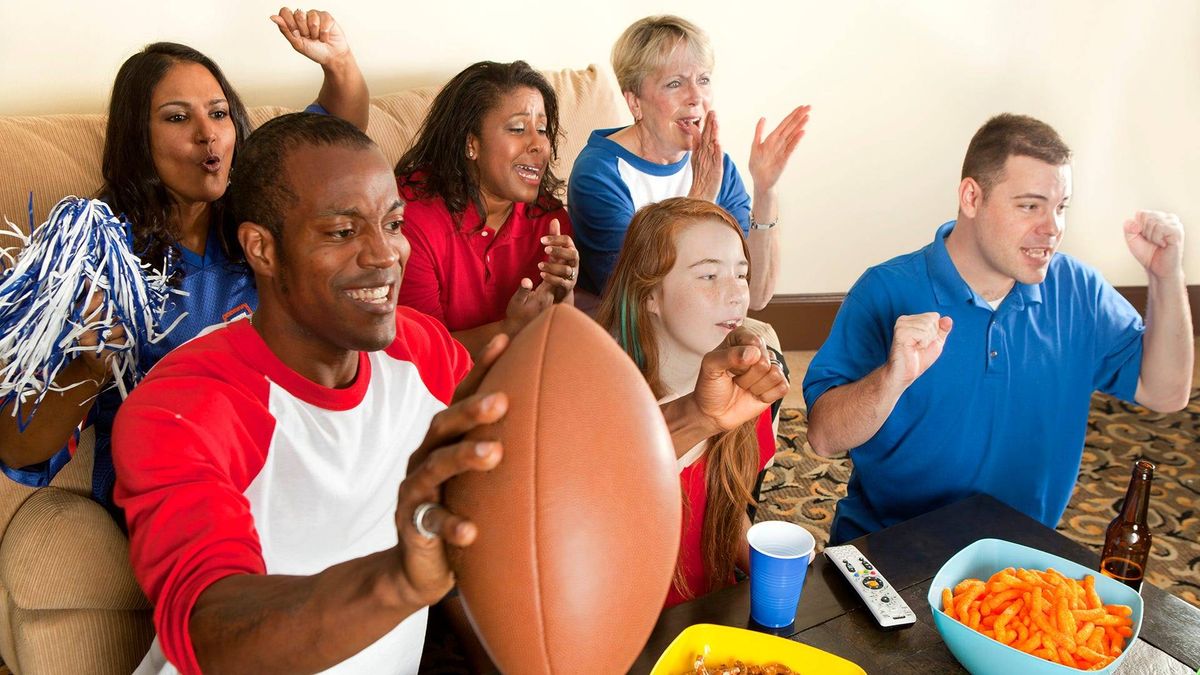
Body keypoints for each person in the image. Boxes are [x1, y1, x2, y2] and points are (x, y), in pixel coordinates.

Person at [112, 112, 789, 674]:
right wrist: (401, 579)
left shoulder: (418, 348)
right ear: (261, 248)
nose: (386, 255)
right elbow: (210, 628)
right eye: (344, 232)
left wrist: (696, 415)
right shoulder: (184, 404)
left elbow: (547, 483)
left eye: (394, 222)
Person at [0, 8, 369, 517]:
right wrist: (90, 366)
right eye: (178, 118)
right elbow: (19, 448)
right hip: (178, 483)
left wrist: (339, 64)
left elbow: (333, 153)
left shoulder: (257, 213)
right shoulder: (100, 255)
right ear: (138, 138)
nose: (207, 134)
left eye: (218, 114)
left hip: (284, 452)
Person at [803, 113, 1193, 544]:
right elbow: (823, 437)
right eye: (1030, 206)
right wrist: (889, 382)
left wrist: (1165, 274)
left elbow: (1165, 392)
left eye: (1060, 207)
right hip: (888, 551)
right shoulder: (886, 290)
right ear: (972, 197)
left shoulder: (1078, 290)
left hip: (1015, 565)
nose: (1052, 229)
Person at [598, 197, 788, 607]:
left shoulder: (743, 387)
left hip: (709, 615)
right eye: (708, 276)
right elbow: (596, 515)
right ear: (650, 294)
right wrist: (699, 418)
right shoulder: (598, 402)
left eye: (741, 274)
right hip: (622, 627)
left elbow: (724, 503)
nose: (736, 293)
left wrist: (765, 565)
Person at [569, 14, 809, 308]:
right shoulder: (599, 174)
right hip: (626, 333)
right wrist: (700, 199)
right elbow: (641, 299)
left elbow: (755, 296)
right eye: (675, 83)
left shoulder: (716, 165)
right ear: (634, 102)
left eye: (703, 80)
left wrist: (765, 190)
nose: (696, 97)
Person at [394, 60, 578, 355]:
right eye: (518, 128)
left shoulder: (550, 220)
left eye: (542, 130)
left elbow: (559, 340)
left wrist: (563, 294)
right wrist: (510, 328)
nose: (539, 145)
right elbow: (421, 358)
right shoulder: (411, 218)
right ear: (472, 144)